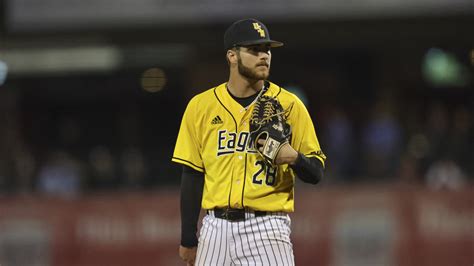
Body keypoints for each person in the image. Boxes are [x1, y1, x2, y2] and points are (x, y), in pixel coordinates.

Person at [172, 18, 326, 266]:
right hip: (215, 228)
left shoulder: (288, 106)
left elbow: (316, 172)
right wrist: (188, 238)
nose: (264, 55)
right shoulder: (200, 107)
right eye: (254, 50)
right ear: (232, 56)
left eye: (266, 50)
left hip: (267, 227)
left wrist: (294, 157)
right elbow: (191, 174)